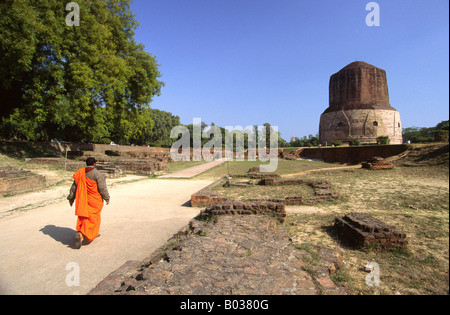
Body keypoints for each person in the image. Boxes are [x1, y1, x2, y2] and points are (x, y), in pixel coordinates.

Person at [67, 157, 110, 249]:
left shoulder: (80, 173)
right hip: (94, 200)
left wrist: (71, 198)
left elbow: (74, 187)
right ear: (94, 164)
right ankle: (83, 234)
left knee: (84, 216)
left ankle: (84, 232)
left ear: (86, 163)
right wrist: (107, 198)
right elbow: (102, 188)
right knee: (93, 217)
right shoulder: (97, 174)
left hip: (82, 199)